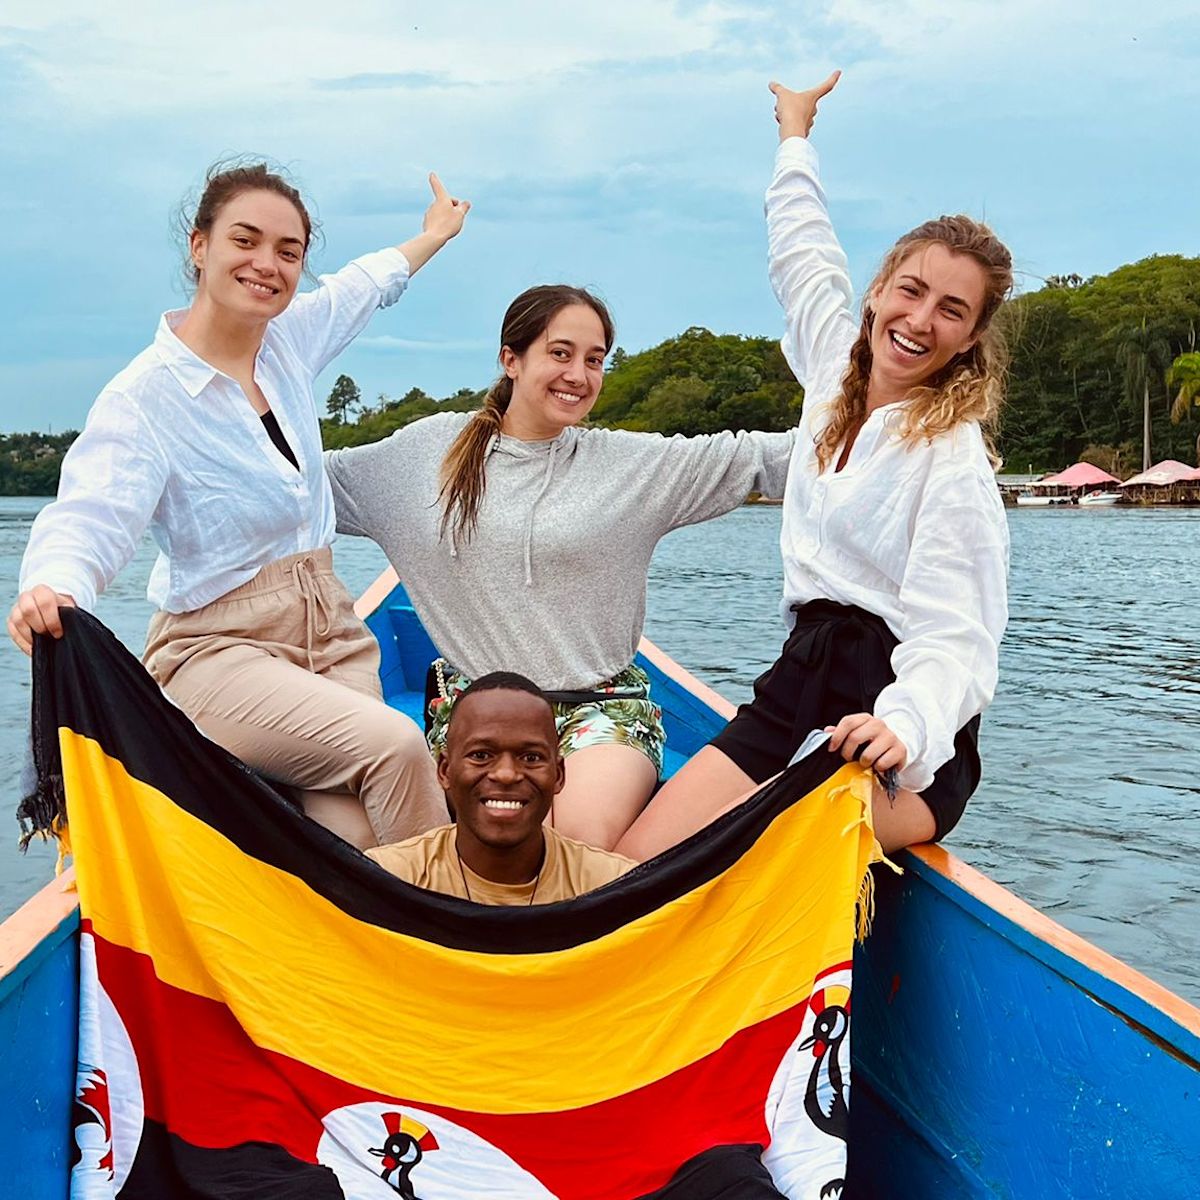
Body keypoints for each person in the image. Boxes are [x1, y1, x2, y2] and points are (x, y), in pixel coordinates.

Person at [9, 161, 471, 849]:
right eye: (245, 241)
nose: (268, 265)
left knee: (355, 837)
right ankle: (450, 932)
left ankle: (380, 933)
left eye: (289, 252)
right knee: (397, 746)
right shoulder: (145, 398)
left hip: (332, 640)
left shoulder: (287, 341)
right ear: (200, 247)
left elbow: (363, 287)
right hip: (217, 652)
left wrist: (433, 235)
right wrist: (52, 586)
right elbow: (89, 515)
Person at [617, 71, 1011, 860]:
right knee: (634, 866)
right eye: (912, 291)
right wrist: (794, 133)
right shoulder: (834, 368)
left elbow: (957, 639)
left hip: (897, 726)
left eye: (952, 311)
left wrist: (901, 725)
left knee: (748, 860)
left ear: (970, 338)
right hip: (798, 682)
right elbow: (801, 249)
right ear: (877, 292)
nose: (920, 321)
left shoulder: (952, 458)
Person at [326, 287, 796, 851]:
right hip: (474, 709)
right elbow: (294, 483)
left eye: (594, 360)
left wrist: (906, 426)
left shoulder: (627, 466)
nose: (579, 374)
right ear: (511, 359)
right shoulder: (423, 456)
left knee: (573, 848)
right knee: (397, 840)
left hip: (600, 709)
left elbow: (765, 459)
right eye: (561, 353)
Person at [368, 672, 635, 904]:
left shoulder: (614, 889)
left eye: (531, 758)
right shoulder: (387, 880)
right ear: (445, 771)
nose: (506, 775)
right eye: (481, 755)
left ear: (559, 775)